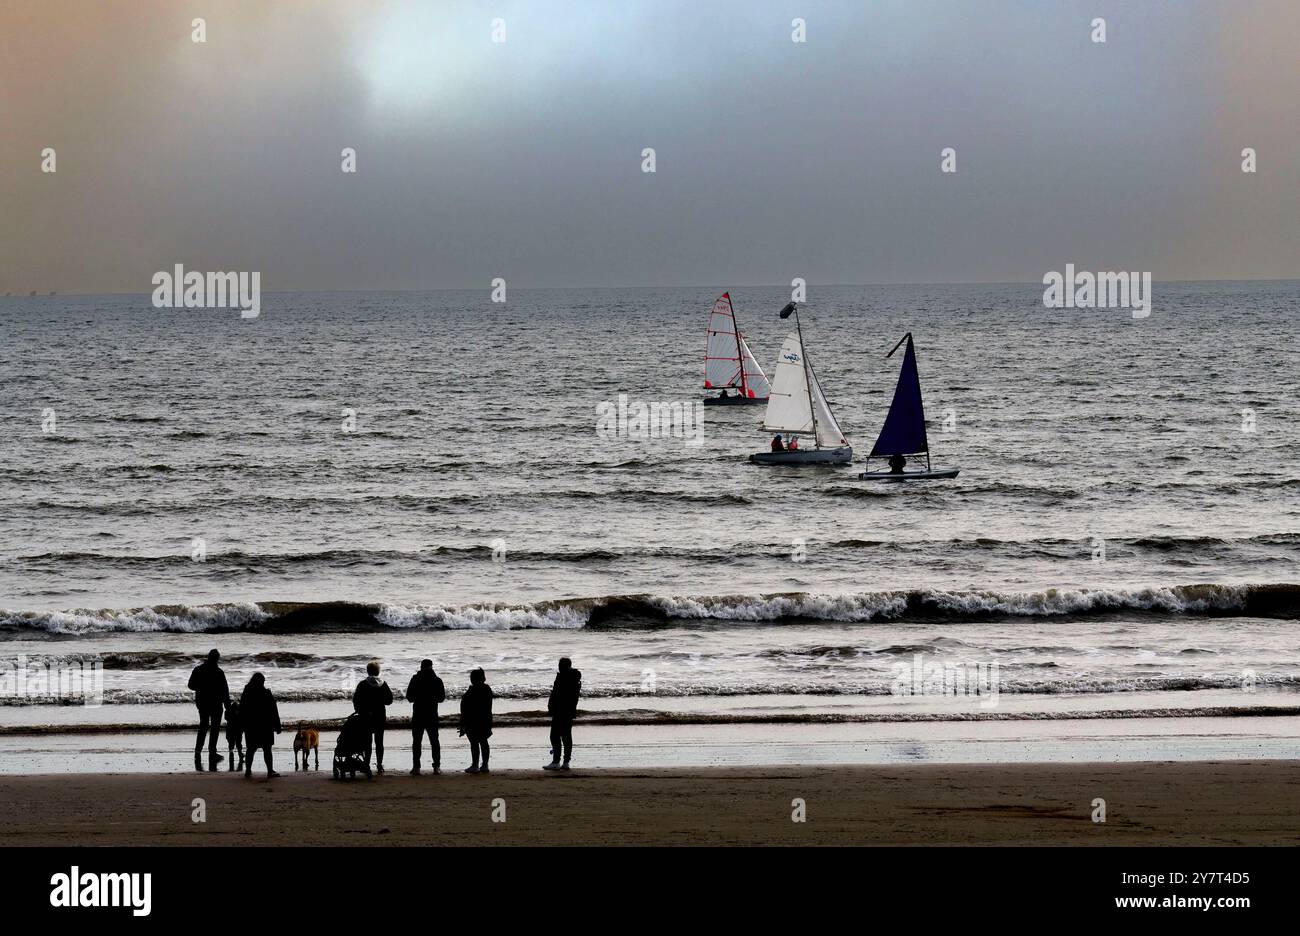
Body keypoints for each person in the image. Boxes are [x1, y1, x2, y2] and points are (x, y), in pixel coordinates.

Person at [187, 648, 230, 770]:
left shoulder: (198, 670)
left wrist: (201, 687)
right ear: (217, 659)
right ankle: (212, 752)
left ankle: (198, 751)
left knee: (203, 726)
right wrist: (228, 708)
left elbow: (190, 685)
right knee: (215, 728)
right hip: (216, 704)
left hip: (202, 702)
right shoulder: (219, 672)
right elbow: (225, 692)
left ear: (208, 657)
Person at [353, 660, 394, 774]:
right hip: (380, 715)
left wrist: (359, 710)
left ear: (367, 671)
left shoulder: (362, 684)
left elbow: (356, 700)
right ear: (378, 671)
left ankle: (366, 763)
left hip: (366, 716)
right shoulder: (383, 684)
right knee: (379, 741)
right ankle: (380, 764)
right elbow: (389, 700)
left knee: (367, 741)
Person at [407, 659, 446, 775]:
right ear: (431, 667)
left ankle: (416, 767)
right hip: (432, 713)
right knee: (434, 741)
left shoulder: (415, 679)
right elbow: (441, 698)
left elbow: (409, 697)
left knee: (417, 741)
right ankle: (436, 766)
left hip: (418, 713)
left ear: (421, 667)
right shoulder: (437, 680)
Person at [240, 672, 281, 778]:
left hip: (251, 726)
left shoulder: (247, 692)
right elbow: (274, 711)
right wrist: (277, 726)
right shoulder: (266, 693)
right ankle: (270, 771)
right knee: (267, 750)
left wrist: (241, 725)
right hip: (265, 726)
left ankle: (248, 771)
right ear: (262, 682)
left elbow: (242, 710)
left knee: (251, 749)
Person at [543, 658, 582, 771]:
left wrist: (552, 706)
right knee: (566, 736)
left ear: (562, 666)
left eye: (560, 664)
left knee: (555, 736)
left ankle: (556, 761)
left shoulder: (563, 677)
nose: (558, 666)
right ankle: (566, 761)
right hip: (569, 711)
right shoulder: (574, 677)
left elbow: (557, 694)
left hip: (560, 710)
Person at [458, 668, 494, 774]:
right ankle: (484, 765)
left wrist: (462, 724)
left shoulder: (472, 691)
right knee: (483, 741)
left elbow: (465, 709)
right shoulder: (487, 689)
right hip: (485, 719)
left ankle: (475, 765)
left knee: (474, 743)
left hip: (472, 720)